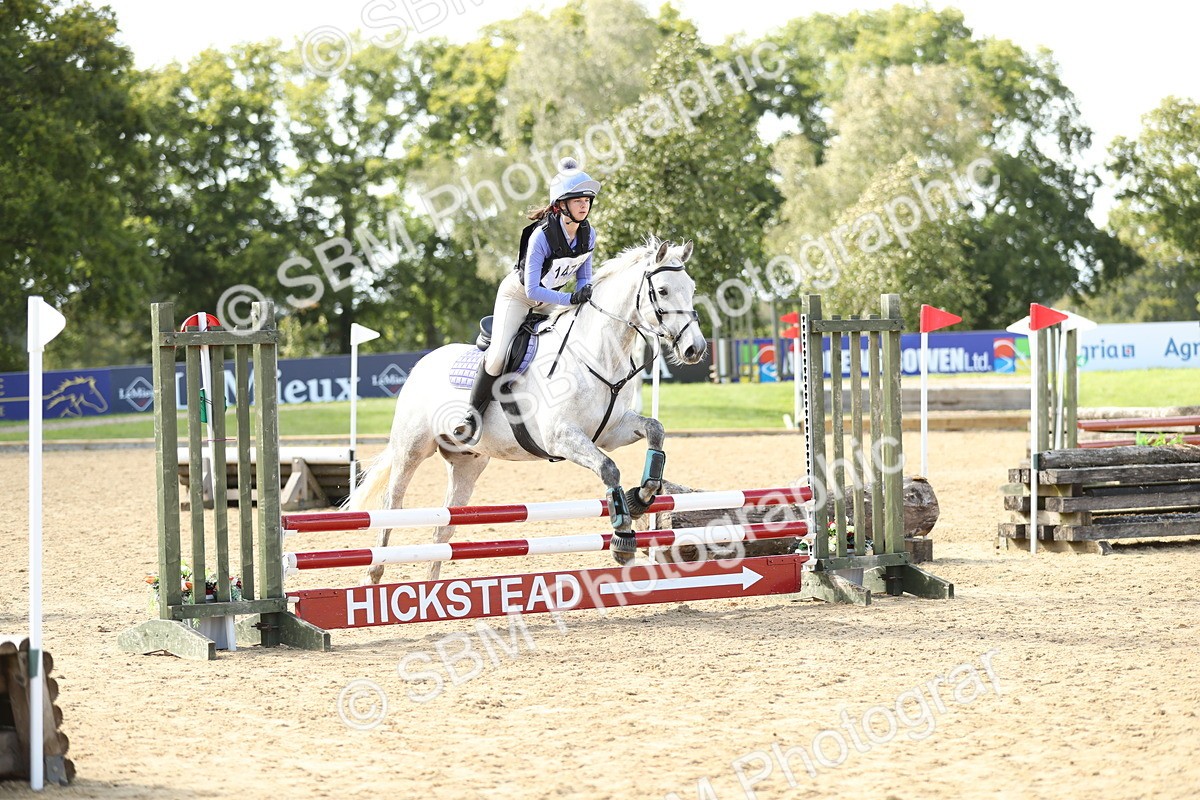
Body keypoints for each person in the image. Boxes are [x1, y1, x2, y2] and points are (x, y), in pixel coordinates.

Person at [452, 157, 600, 444]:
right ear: (561, 205)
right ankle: (471, 415)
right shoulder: (541, 236)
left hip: (552, 298)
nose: (584, 205)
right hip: (519, 296)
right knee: (497, 356)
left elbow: (584, 276)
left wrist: (584, 295)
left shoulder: (588, 233)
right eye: (577, 200)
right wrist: (570, 297)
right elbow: (532, 290)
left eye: (587, 200)